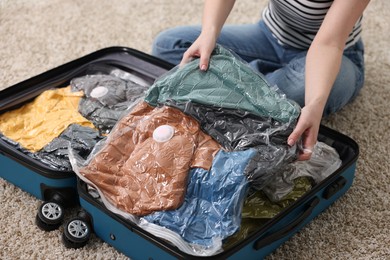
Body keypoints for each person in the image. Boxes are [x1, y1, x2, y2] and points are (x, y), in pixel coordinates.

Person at [151, 0, 370, 160]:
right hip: (268, 36)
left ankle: (236, 82)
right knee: (169, 45)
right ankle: (260, 89)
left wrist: (315, 104)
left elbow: (328, 44)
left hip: (333, 55)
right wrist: (210, 32)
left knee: (301, 91)